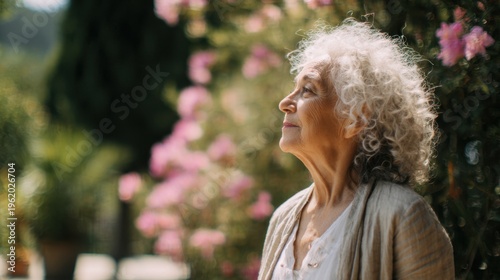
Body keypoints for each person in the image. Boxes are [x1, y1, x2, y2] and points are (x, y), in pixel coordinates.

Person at [258, 19, 455, 280]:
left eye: (307, 90)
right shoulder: (283, 218)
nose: (285, 102)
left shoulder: (402, 215)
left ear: (355, 119)